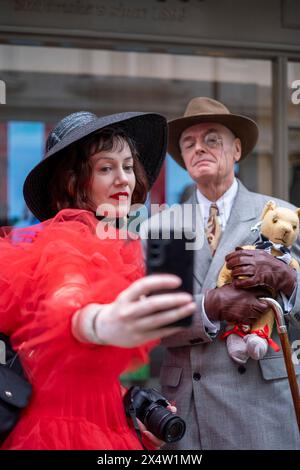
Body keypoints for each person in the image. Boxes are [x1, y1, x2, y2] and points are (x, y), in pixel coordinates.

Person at [0, 111, 196, 450]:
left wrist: (129, 404)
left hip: (104, 417)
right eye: (106, 168)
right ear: (74, 182)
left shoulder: (113, 241)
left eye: (127, 166)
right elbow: (66, 295)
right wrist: (96, 322)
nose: (124, 179)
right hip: (64, 429)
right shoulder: (68, 237)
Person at [141, 97, 300, 450]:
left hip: (263, 404)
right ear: (182, 159)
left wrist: (287, 280)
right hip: (189, 409)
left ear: (237, 149)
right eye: (189, 143)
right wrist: (209, 307)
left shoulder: (280, 215)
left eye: (212, 139)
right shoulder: (162, 227)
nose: (199, 148)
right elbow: (154, 322)